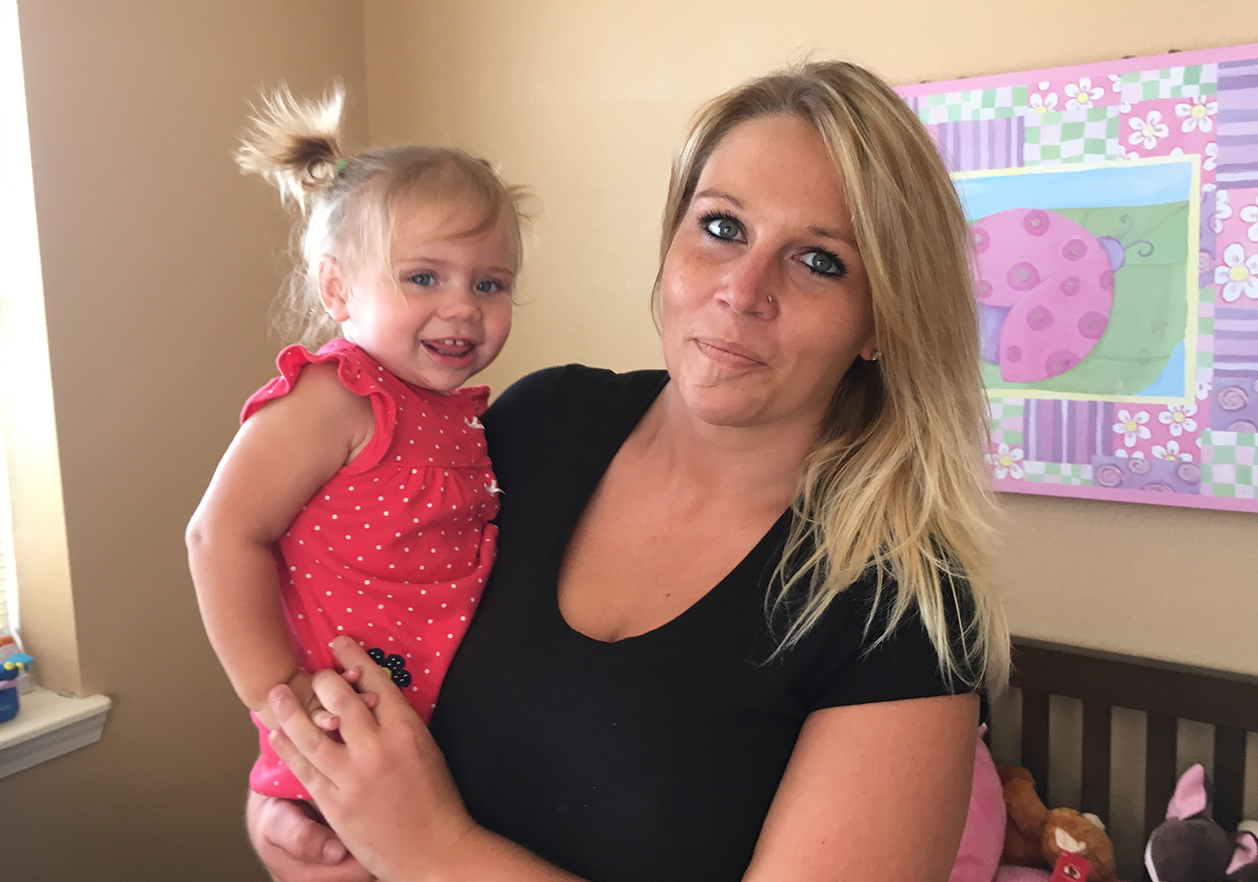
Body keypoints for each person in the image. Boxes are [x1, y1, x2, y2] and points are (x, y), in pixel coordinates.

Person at [248, 60, 1010, 882]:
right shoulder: (531, 427)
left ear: (882, 320)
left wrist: (431, 850)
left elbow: (412, 833)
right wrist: (296, 810)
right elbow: (345, 624)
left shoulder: (902, 608)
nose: (742, 290)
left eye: (820, 261)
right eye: (721, 227)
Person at [187, 84, 526, 801]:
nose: (463, 306)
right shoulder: (337, 397)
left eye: (490, 284)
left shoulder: (456, 414)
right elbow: (220, 535)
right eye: (424, 277)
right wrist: (277, 690)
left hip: (436, 742)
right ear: (338, 290)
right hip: (339, 741)